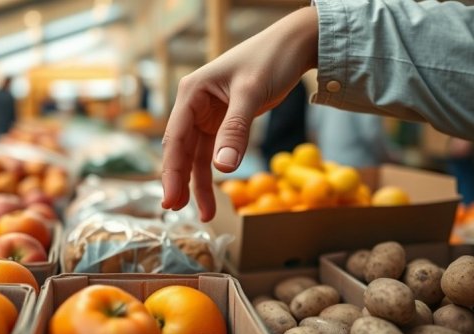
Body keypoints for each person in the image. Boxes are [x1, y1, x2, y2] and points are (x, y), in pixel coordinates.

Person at [160, 0, 474, 222]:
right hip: (351, 174)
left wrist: (311, 32)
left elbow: (315, 127)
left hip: (333, 170)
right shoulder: (347, 99)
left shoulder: (331, 97)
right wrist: (310, 34)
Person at [308, 104, 398, 168]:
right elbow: (372, 135)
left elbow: (314, 128)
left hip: (328, 165)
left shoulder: (327, 91)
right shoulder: (364, 95)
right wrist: (389, 157)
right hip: (359, 168)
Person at [259, 81, 308, 169]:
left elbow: (284, 120)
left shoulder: (292, 85)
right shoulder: (274, 84)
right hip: (275, 151)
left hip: (287, 151)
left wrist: (262, 143)